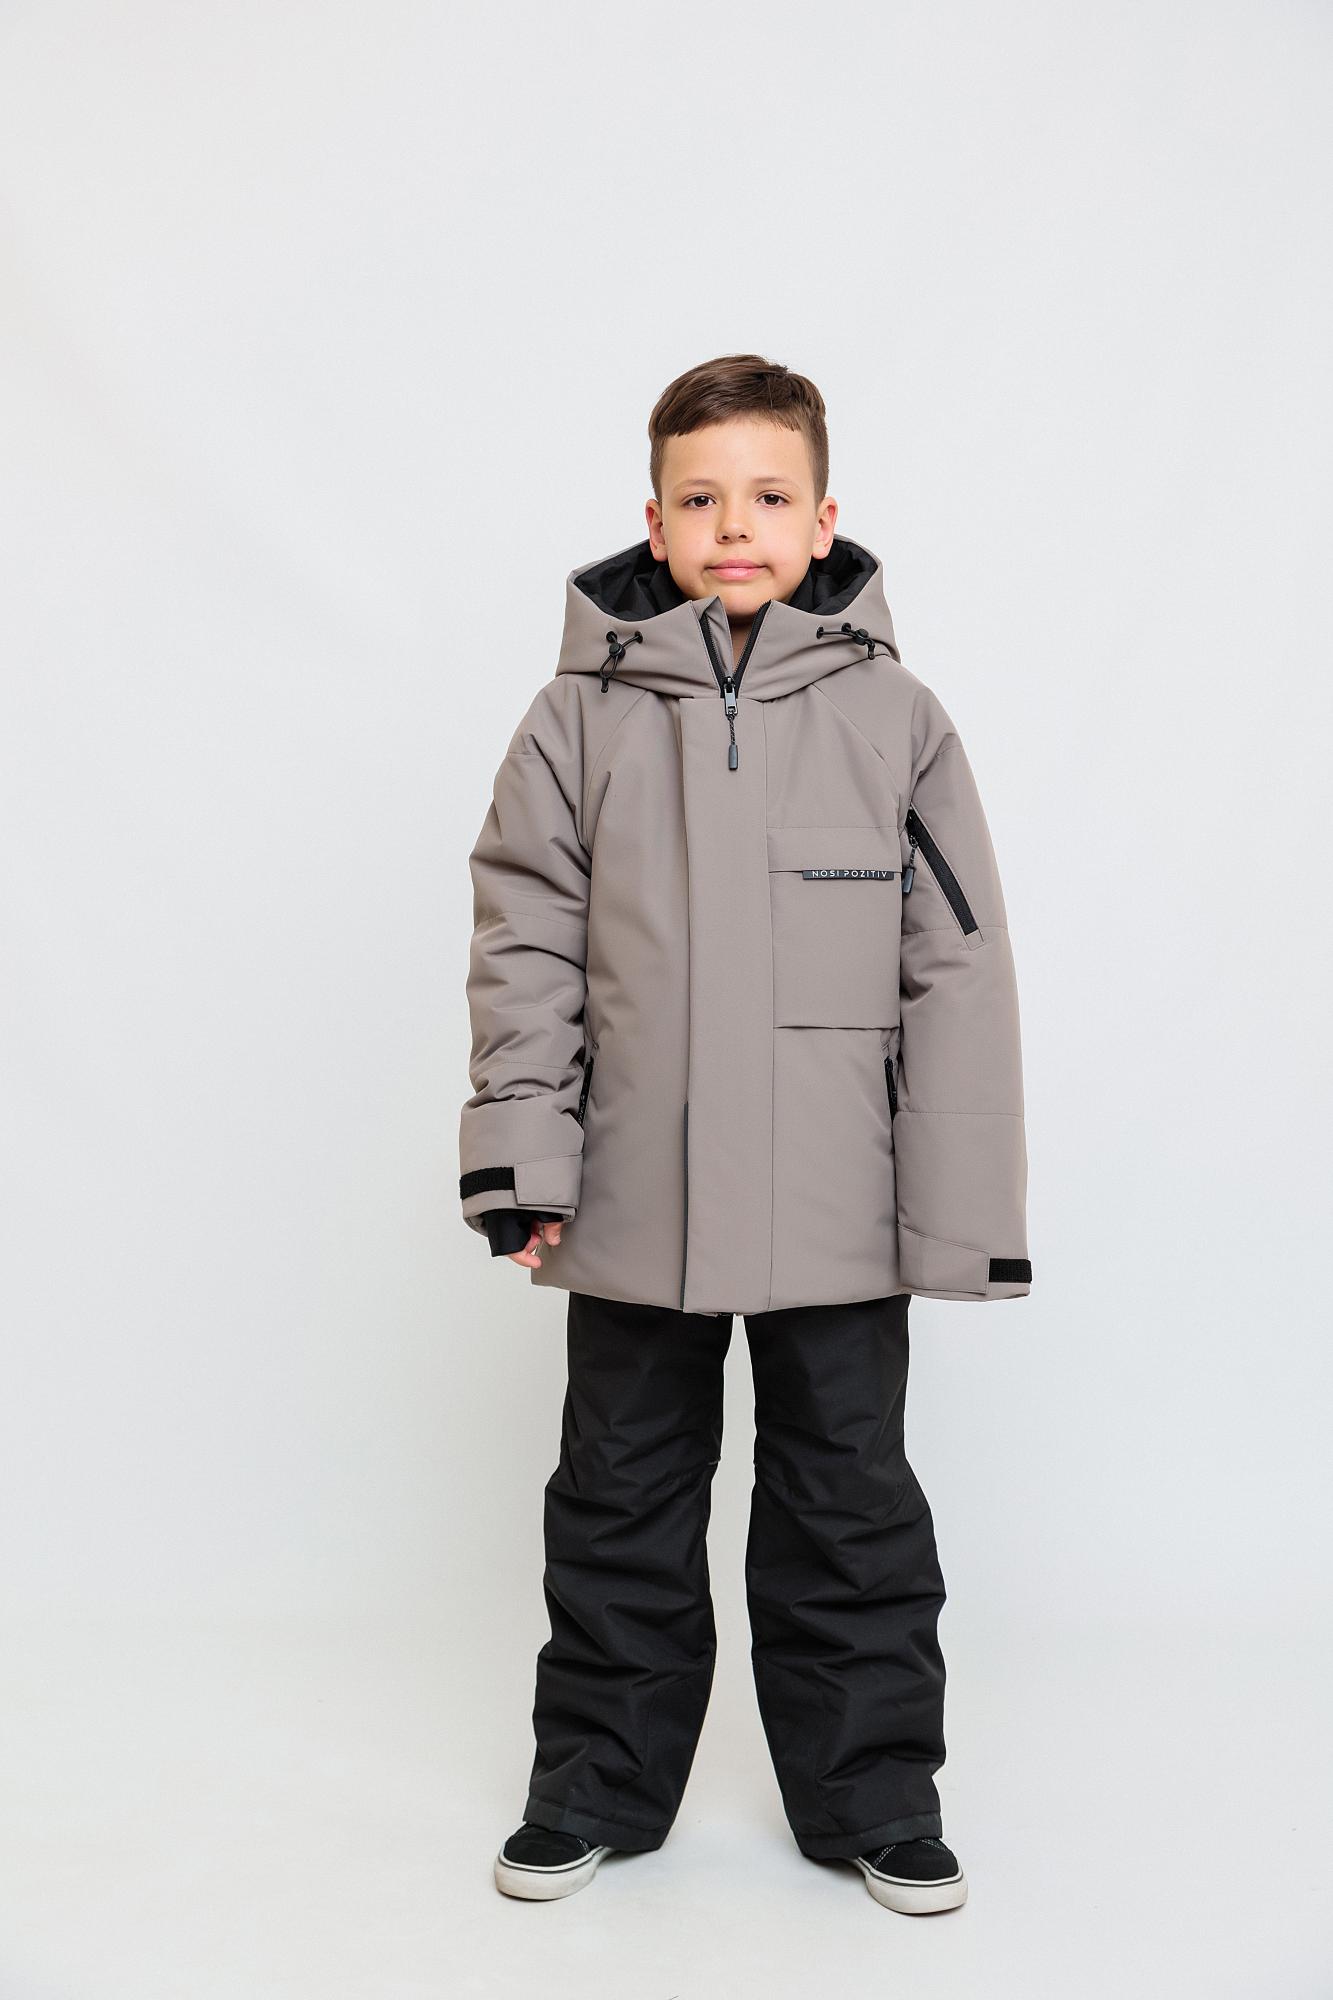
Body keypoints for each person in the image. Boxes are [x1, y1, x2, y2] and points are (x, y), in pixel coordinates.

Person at [458, 353, 1031, 1913]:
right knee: (618, 1502)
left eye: (767, 496)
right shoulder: (574, 720)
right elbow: (523, 941)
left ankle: (873, 1799)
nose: (733, 526)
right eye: (699, 499)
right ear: (651, 523)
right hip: (627, 1198)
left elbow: (955, 967)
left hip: (837, 1202)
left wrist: (956, 1210)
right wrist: (523, 1160)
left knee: (848, 1504)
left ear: (823, 518)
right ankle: (594, 1785)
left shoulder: (895, 720)